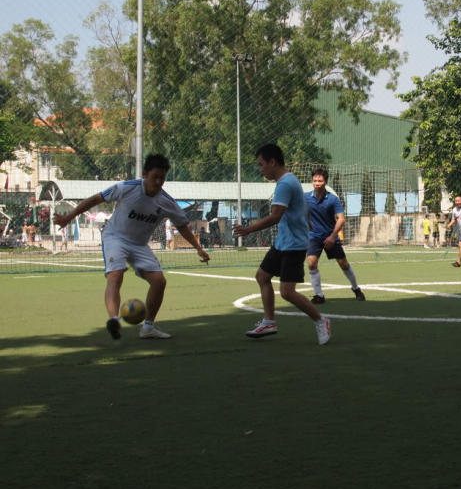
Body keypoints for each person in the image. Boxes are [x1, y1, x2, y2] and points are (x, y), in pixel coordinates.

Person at [53, 154, 210, 340]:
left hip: (139, 245)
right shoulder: (126, 188)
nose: (159, 181)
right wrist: (67, 217)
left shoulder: (166, 201)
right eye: (155, 177)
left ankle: (148, 328)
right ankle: (114, 319)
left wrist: (198, 248)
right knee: (115, 275)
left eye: (162, 177)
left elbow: (182, 225)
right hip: (115, 237)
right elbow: (95, 199)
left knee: (159, 282)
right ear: (145, 174)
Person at [233, 144, 331, 345]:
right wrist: (307, 221)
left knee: (287, 292)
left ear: (272, 162)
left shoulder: (285, 184)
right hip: (283, 242)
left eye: (261, 165)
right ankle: (269, 321)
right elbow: (303, 206)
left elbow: (275, 216)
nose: (261, 169)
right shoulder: (289, 180)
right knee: (262, 276)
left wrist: (248, 229)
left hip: (294, 245)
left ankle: (321, 321)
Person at [304, 167, 366, 305]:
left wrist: (332, 236)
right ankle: (319, 296)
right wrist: (305, 223)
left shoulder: (333, 199)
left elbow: (341, 219)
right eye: (314, 180)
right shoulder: (305, 197)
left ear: (325, 181)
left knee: (343, 264)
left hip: (330, 237)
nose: (317, 183)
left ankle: (356, 289)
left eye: (320, 180)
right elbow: (298, 210)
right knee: (311, 264)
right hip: (313, 237)